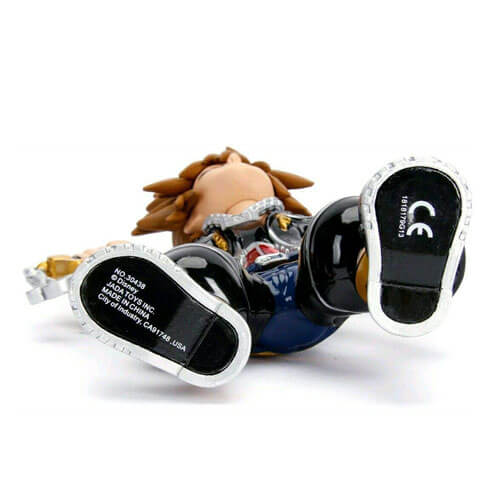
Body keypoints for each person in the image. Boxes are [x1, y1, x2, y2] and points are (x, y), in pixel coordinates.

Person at [25, 148, 471, 387]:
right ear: (189, 217)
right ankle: (193, 326)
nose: (234, 164)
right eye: (218, 179)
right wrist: (91, 264)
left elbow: (326, 234)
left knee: (343, 225)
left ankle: (391, 273)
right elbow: (133, 259)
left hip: (312, 291)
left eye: (249, 177)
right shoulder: (208, 244)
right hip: (245, 307)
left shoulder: (299, 227)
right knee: (198, 267)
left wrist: (355, 233)